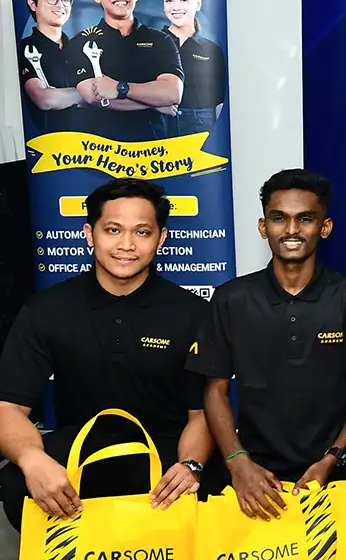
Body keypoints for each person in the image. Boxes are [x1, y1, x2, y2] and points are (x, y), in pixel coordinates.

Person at [0, 178, 214, 529]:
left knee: (217, 481)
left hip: (164, 454)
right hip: (81, 454)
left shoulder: (194, 313)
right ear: (90, 234)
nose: (126, 245)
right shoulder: (46, 310)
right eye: (113, 230)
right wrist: (32, 459)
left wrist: (190, 465)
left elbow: (202, 413)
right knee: (16, 482)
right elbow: (8, 407)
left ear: (160, 239)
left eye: (142, 232)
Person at [190, 170, 346, 519]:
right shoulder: (231, 299)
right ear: (263, 227)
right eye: (279, 218)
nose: (291, 230)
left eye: (305, 219)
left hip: (338, 476)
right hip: (253, 475)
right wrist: (238, 463)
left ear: (325, 227)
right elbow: (214, 391)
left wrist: (333, 459)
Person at [70, 0, 184, 142]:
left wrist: (119, 88)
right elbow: (93, 98)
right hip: (99, 149)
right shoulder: (81, 42)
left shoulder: (161, 40)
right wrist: (155, 103)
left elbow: (173, 93)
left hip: (153, 147)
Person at [16, 0, 90, 134]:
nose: (60, 5)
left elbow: (106, 98)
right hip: (49, 143)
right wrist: (88, 94)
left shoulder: (82, 48)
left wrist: (66, 96)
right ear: (33, 4)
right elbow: (44, 99)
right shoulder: (24, 49)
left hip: (93, 143)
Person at [157, 0, 227, 137]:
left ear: (198, 3)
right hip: (158, 125)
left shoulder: (213, 51)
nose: (175, 7)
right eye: (169, 0)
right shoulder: (150, 42)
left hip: (200, 128)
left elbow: (219, 102)